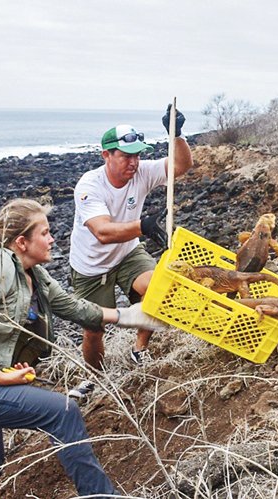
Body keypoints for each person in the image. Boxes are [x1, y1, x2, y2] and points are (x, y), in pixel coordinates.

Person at [0, 198, 161, 498]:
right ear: (22, 242)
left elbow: (72, 306)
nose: (52, 239)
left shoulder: (34, 273)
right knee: (62, 411)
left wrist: (131, 316)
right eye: (45, 233)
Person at [69, 104, 193, 383]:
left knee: (157, 289)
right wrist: (144, 226)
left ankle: (140, 348)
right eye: (126, 156)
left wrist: (177, 135)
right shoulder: (90, 186)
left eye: (137, 155)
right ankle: (96, 377)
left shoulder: (142, 172)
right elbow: (102, 232)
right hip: (91, 266)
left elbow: (181, 165)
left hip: (127, 253)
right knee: (94, 328)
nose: (133, 163)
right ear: (106, 155)